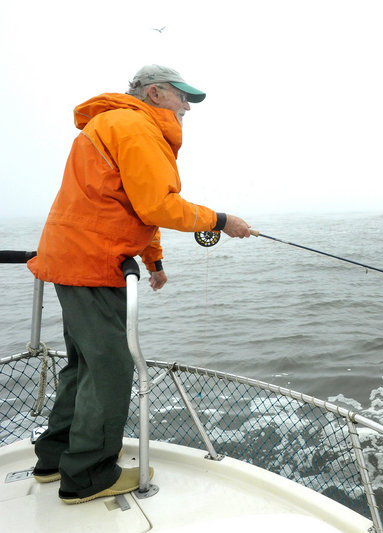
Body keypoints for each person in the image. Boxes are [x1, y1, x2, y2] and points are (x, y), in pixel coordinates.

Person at [26, 64, 251, 504]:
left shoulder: (119, 123)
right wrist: (222, 221)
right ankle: (88, 475)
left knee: (85, 365)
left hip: (77, 257)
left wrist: (155, 260)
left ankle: (54, 457)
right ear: (155, 92)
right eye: (181, 96)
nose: (187, 105)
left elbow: (132, 204)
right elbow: (158, 205)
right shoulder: (135, 126)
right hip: (93, 262)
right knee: (111, 367)